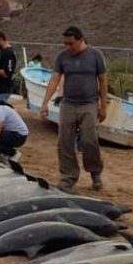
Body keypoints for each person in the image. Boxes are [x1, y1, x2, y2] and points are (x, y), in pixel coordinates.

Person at [40, 26, 108, 192]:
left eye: (71, 44)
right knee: (64, 142)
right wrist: (45, 103)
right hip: (68, 105)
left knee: (89, 141)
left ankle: (95, 173)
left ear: (80, 39)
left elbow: (103, 80)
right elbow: (55, 79)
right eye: (65, 44)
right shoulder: (62, 56)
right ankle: (68, 177)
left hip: (89, 105)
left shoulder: (95, 54)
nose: (68, 47)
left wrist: (103, 106)